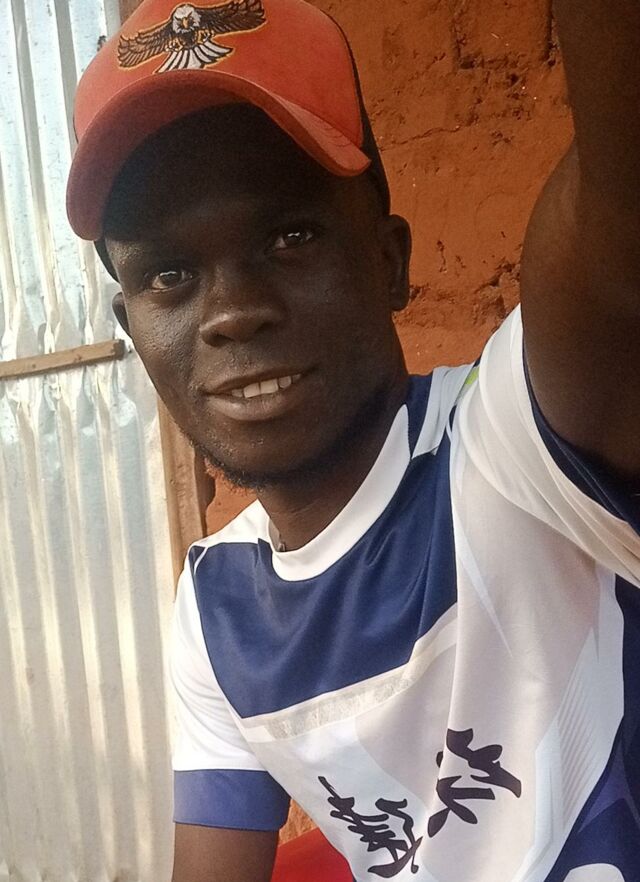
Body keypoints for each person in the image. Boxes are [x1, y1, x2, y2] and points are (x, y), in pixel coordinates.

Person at [66, 0, 640, 879]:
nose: (231, 312)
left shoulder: (515, 442)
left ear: (390, 260)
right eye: (169, 273)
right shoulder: (218, 611)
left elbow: (620, 209)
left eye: (289, 236)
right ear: (132, 328)